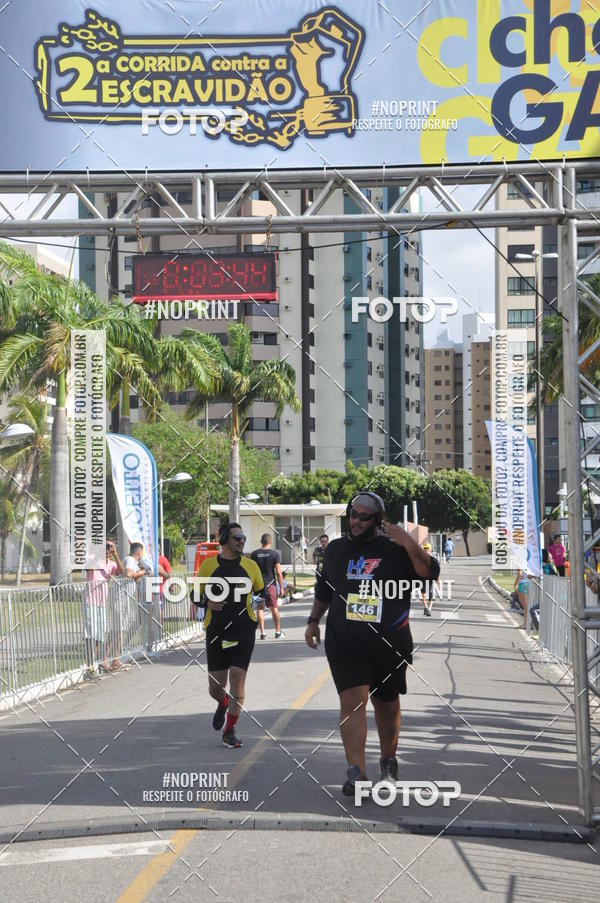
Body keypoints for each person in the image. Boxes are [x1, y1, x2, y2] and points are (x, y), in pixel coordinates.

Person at [305, 492, 440, 796]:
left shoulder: (395, 550)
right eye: (353, 514)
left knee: (387, 703)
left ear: (378, 520)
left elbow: (429, 573)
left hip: (389, 641)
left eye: (363, 516)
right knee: (352, 702)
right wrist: (313, 621)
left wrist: (408, 542)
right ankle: (356, 770)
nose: (356, 520)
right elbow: (324, 589)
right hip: (345, 640)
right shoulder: (336, 550)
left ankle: (388, 761)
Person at [197, 522, 265, 749]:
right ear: (224, 539)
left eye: (244, 538)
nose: (242, 541)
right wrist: (209, 602)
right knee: (215, 686)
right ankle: (222, 702)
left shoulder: (250, 565)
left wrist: (257, 604)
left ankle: (230, 730)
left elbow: (260, 594)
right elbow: (195, 595)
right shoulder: (208, 566)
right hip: (216, 629)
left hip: (244, 628)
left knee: (237, 676)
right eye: (237, 538)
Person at [83, 540, 124, 676]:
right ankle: (90, 665)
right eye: (106, 547)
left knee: (99, 636)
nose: (108, 549)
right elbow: (88, 568)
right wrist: (98, 554)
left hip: (102, 603)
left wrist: (115, 554)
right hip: (91, 601)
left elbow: (121, 571)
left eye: (111, 547)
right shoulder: (92, 559)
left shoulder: (110, 563)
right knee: (90, 635)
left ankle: (96, 663)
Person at [250, 533, 285, 639]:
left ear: (261, 542)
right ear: (270, 542)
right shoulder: (274, 554)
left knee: (259, 609)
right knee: (274, 608)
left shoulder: (255, 554)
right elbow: (279, 573)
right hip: (270, 585)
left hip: (258, 585)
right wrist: (282, 587)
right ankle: (278, 632)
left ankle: (262, 633)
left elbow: (252, 571)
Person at [420, 542, 438, 616]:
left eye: (428, 549)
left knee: (431, 594)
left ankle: (429, 609)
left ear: (430, 549)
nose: (426, 550)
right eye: (425, 548)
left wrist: (438, 580)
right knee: (423, 595)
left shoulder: (434, 559)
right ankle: (426, 607)